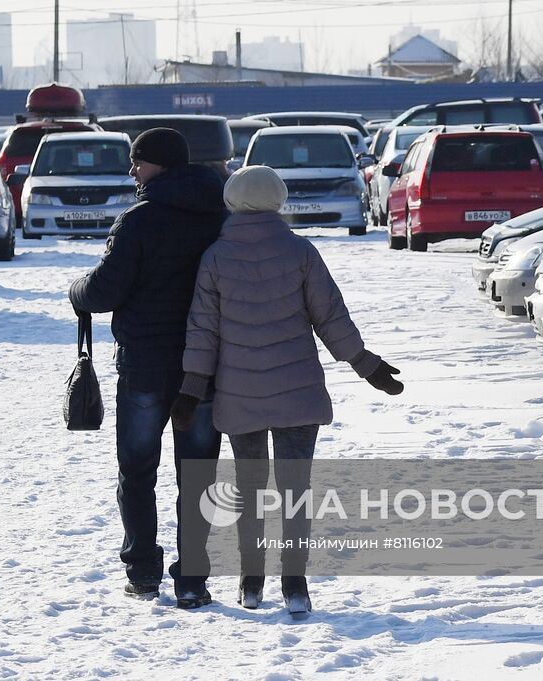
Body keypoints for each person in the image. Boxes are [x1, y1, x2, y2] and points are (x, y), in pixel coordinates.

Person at [171, 164, 404, 615]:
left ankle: (251, 581)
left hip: (239, 393)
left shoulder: (215, 257)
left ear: (232, 201)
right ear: (278, 200)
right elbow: (330, 317)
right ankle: (295, 584)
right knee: (295, 488)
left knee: (250, 488)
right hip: (297, 391)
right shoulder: (300, 251)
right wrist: (365, 364)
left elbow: (203, 330)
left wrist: (191, 388)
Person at [69, 128, 227, 609]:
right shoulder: (220, 214)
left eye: (138, 161)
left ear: (160, 163)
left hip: (145, 367)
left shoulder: (138, 220)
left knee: (137, 470)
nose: (132, 170)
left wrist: (76, 289)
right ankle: (193, 578)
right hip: (204, 367)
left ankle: (141, 572)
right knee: (197, 474)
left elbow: (103, 291)